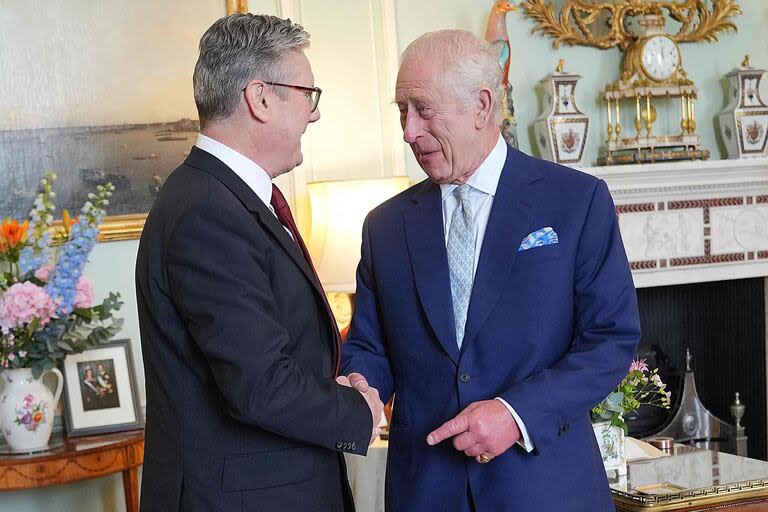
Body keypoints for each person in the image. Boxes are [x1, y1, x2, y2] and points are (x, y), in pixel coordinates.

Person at [341, 29, 640, 512]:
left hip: (547, 490)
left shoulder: (577, 202)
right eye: (401, 110)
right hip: (424, 492)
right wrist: (361, 385)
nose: (407, 131)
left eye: (422, 108)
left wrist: (516, 414)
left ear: (482, 105)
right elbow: (369, 346)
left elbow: (610, 338)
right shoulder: (385, 226)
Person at [135, 14, 382, 512]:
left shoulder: (221, 197)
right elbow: (259, 385)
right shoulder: (207, 210)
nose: (313, 115)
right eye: (308, 94)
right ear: (260, 98)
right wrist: (357, 409)